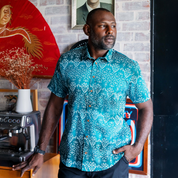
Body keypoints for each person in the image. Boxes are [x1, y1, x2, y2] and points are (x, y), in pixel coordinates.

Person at [12, 8, 153, 178]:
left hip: (112, 161)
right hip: (72, 161)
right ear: (87, 29)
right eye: (103, 26)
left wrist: (137, 146)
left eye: (113, 26)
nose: (110, 31)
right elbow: (54, 106)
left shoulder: (128, 67)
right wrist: (40, 151)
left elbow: (146, 107)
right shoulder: (67, 62)